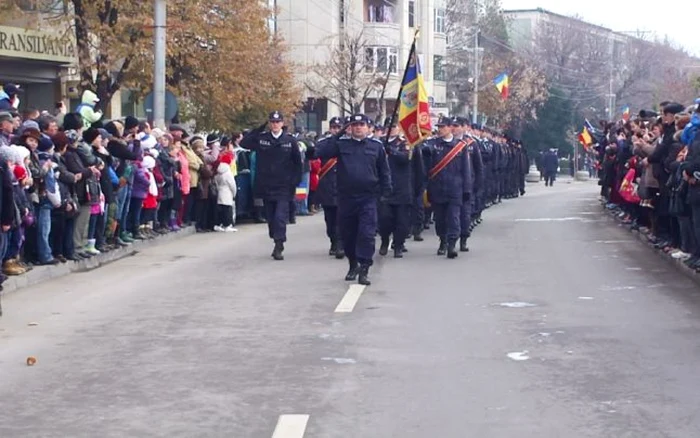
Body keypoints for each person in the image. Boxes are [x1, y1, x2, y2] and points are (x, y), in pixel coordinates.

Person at [315, 113, 391, 285]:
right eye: (354, 124)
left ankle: (364, 267)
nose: (358, 127)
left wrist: (386, 192)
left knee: (367, 233)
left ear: (368, 127)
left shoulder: (376, 146)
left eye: (361, 124)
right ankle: (353, 263)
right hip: (346, 197)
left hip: (368, 197)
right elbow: (318, 151)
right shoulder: (341, 145)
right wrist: (339, 134)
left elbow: (384, 171)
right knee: (348, 235)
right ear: (349, 127)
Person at [240, 111, 302, 260]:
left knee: (280, 216)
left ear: (282, 123)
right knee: (271, 217)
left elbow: (297, 163)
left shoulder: (290, 141)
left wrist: (294, 182)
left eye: (277, 122)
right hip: (266, 184)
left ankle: (279, 244)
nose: (275, 125)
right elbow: (244, 143)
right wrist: (259, 128)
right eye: (272, 122)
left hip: (283, 186)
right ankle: (275, 236)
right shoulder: (262, 139)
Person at [422, 116, 472, 259]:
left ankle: (451, 244)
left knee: (454, 218)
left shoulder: (461, 146)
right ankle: (442, 240)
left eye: (443, 127)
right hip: (437, 188)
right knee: (440, 219)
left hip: (455, 189)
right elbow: (426, 164)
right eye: (438, 127)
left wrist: (467, 189)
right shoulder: (432, 145)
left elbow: (466, 170)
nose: (440, 130)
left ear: (450, 127)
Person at [378, 119, 423, 258]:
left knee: (402, 222)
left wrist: (390, 150)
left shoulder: (406, 144)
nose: (391, 129)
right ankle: (385, 240)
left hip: (402, 188)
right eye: (388, 127)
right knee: (384, 220)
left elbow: (405, 158)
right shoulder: (379, 144)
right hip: (385, 188)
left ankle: (398, 245)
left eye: (394, 127)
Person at [316, 117, 345, 258]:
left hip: (343, 187)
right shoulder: (323, 143)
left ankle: (340, 244)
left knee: (341, 218)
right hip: (327, 186)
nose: (336, 130)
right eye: (334, 127)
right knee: (330, 219)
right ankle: (333, 241)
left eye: (339, 127)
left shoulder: (347, 144)